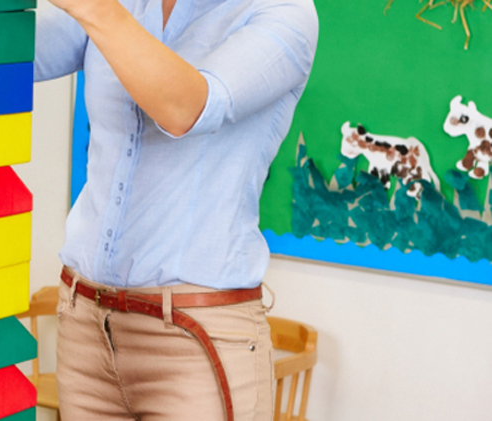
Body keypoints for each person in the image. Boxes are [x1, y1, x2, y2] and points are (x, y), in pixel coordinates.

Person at [32, 0, 319, 420]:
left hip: (194, 340)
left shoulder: (283, 13)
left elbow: (188, 107)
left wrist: (96, 9)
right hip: (85, 326)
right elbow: (5, 54)